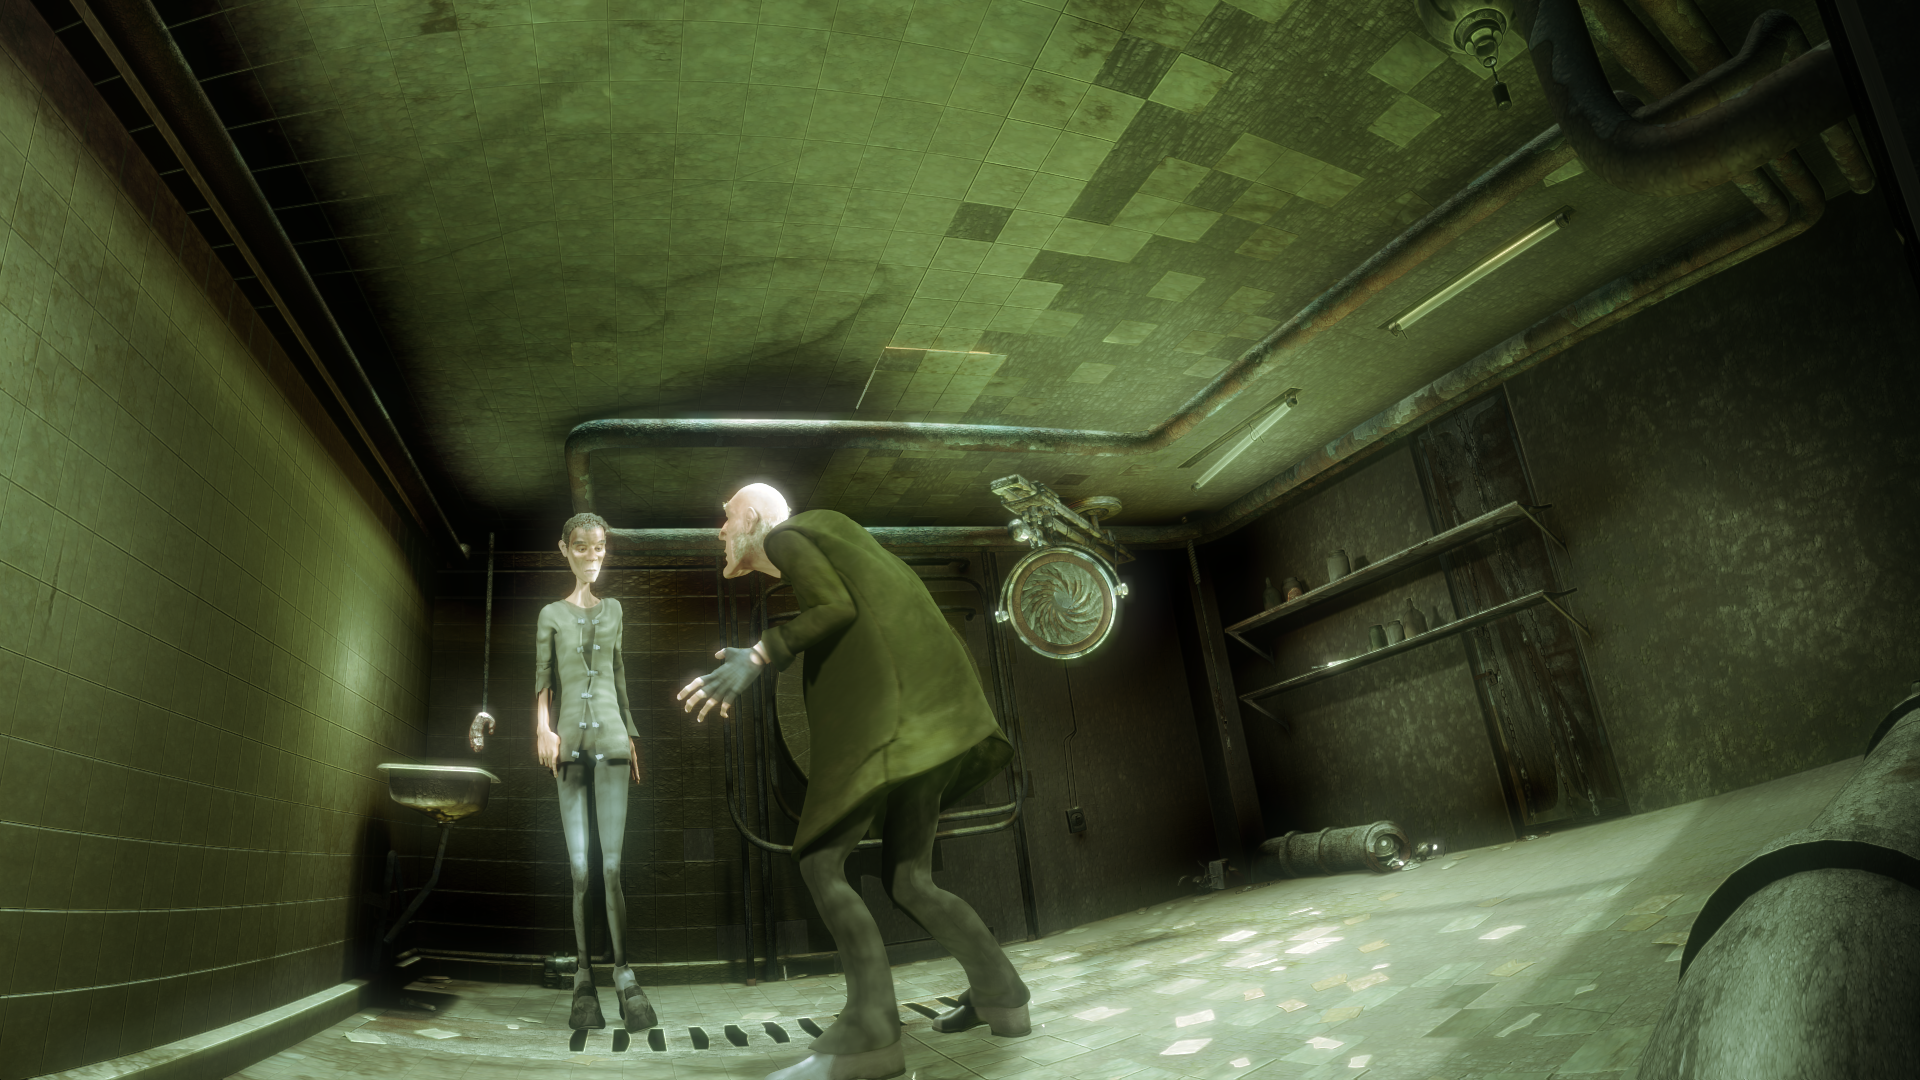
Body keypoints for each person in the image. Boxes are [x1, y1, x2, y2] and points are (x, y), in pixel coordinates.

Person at [677, 484, 1030, 1080]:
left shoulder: (788, 536)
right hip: (935, 720)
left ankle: (870, 1031)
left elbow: (834, 607)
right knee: (910, 879)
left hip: (891, 724)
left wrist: (759, 655)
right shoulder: (842, 534)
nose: (720, 529)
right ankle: (1003, 994)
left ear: (754, 518)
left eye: (726, 517)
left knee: (819, 860)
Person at [475, 512, 657, 1033]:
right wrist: (543, 728)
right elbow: (543, 677)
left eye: (599, 547)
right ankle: (583, 978)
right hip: (569, 747)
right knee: (580, 869)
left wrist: (632, 734)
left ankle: (624, 974)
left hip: (613, 742)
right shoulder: (551, 614)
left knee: (612, 867)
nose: (592, 556)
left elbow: (619, 674)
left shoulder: (616, 609)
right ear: (565, 550)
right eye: (582, 547)